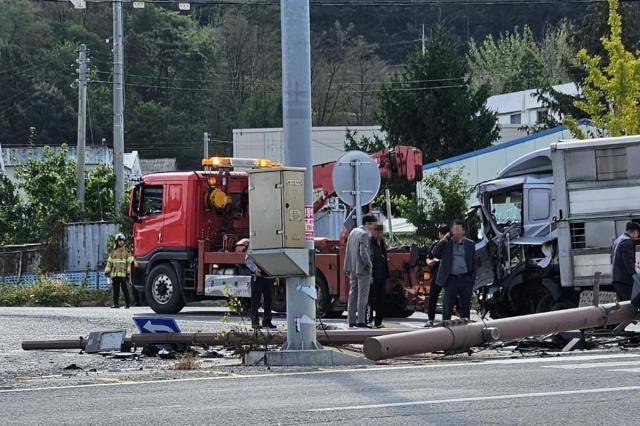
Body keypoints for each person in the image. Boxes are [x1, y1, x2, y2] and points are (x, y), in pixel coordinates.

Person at [431, 219, 476, 321]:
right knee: (448, 306)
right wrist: (443, 240)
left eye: (457, 229)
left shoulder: (470, 245)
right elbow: (435, 253)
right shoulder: (447, 243)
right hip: (451, 279)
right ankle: (446, 327)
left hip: (465, 279)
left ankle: (465, 328)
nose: (454, 231)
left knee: (465, 306)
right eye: (453, 229)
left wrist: (472, 279)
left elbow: (473, 263)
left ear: (463, 231)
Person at [344, 214, 377, 328]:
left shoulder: (353, 232)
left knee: (352, 295)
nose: (374, 227)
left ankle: (351, 320)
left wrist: (347, 267)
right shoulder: (364, 235)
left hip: (352, 268)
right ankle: (361, 321)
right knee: (362, 296)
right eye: (373, 224)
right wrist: (370, 265)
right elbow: (363, 252)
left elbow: (348, 250)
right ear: (368, 223)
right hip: (362, 269)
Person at [238, 239, 276, 330]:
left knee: (269, 299)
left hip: (269, 275)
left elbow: (274, 258)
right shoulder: (254, 242)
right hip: (257, 275)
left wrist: (276, 274)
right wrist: (255, 269)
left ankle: (267, 321)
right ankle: (255, 322)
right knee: (255, 300)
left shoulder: (272, 242)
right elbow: (248, 259)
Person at [424, 225, 451, 327]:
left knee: (450, 297)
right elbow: (428, 259)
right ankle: (430, 319)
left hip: (449, 276)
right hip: (437, 274)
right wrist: (432, 261)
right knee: (433, 297)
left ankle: (448, 320)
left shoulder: (452, 245)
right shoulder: (436, 244)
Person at [611, 222, 640, 301]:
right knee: (629, 305)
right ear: (634, 231)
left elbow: (614, 258)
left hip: (616, 278)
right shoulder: (627, 241)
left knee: (623, 305)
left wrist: (633, 264)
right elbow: (628, 262)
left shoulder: (617, 240)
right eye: (638, 233)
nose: (638, 236)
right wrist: (636, 278)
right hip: (624, 280)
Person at [105, 233, 134, 309]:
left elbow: (129, 264)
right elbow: (109, 263)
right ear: (116, 242)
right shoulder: (113, 252)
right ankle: (116, 304)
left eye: (122, 241)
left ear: (124, 241)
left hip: (123, 275)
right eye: (119, 241)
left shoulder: (127, 252)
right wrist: (107, 271)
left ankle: (128, 304)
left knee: (125, 290)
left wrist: (128, 273)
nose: (120, 242)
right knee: (115, 290)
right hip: (115, 275)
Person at [369, 224, 390, 328]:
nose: (381, 234)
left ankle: (378, 321)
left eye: (382, 232)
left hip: (382, 274)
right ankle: (368, 320)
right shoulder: (370, 242)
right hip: (374, 274)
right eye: (378, 232)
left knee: (381, 299)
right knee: (371, 298)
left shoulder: (381, 243)